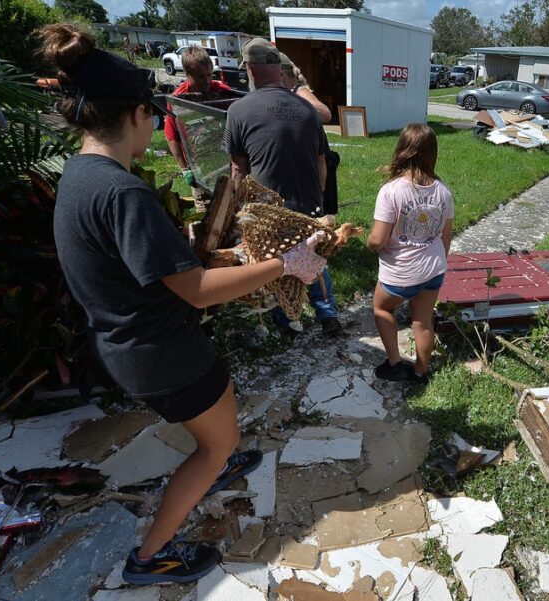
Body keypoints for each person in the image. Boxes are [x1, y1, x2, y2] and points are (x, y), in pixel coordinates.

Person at [37, 24, 327, 585]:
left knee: (218, 418)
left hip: (128, 342)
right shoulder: (124, 192)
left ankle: (221, 456)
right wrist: (284, 265)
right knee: (217, 445)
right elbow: (193, 289)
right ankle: (151, 557)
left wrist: (230, 252)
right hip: (161, 351)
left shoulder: (80, 175)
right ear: (139, 115)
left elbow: (146, 270)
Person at [223, 38, 342, 337]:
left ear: (250, 70)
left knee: (275, 262)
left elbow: (238, 169)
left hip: (269, 208)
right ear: (279, 69)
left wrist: (238, 210)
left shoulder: (238, 110)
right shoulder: (306, 109)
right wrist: (319, 200)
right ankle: (327, 314)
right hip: (309, 201)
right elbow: (321, 163)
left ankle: (287, 318)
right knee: (315, 257)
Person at [366, 124, 453, 383]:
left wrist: (370, 245)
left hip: (401, 273)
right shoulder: (443, 191)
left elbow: (378, 239)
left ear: (402, 150)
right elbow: (446, 236)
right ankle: (420, 372)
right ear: (432, 153)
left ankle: (394, 363)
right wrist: (440, 261)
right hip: (434, 269)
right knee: (422, 322)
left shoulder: (391, 191)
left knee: (382, 308)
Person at [163, 46, 231, 211]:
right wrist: (185, 169)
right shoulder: (178, 101)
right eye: (201, 77)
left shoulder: (222, 93)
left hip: (223, 164)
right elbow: (172, 137)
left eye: (209, 75)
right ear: (187, 74)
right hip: (199, 169)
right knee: (206, 215)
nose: (207, 80)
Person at [278, 53, 340, 223]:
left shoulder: (299, 91)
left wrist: (291, 108)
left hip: (315, 158)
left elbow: (325, 113)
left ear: (281, 74)